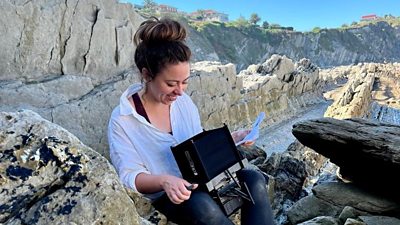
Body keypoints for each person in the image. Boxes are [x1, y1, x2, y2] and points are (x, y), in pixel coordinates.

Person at [108, 17, 274, 225]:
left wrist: (235, 138)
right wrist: (165, 181)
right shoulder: (123, 119)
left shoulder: (183, 102)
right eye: (171, 84)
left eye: (184, 82)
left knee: (254, 180)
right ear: (147, 75)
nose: (179, 91)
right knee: (203, 206)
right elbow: (130, 176)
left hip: (203, 180)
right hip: (168, 193)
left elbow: (198, 144)